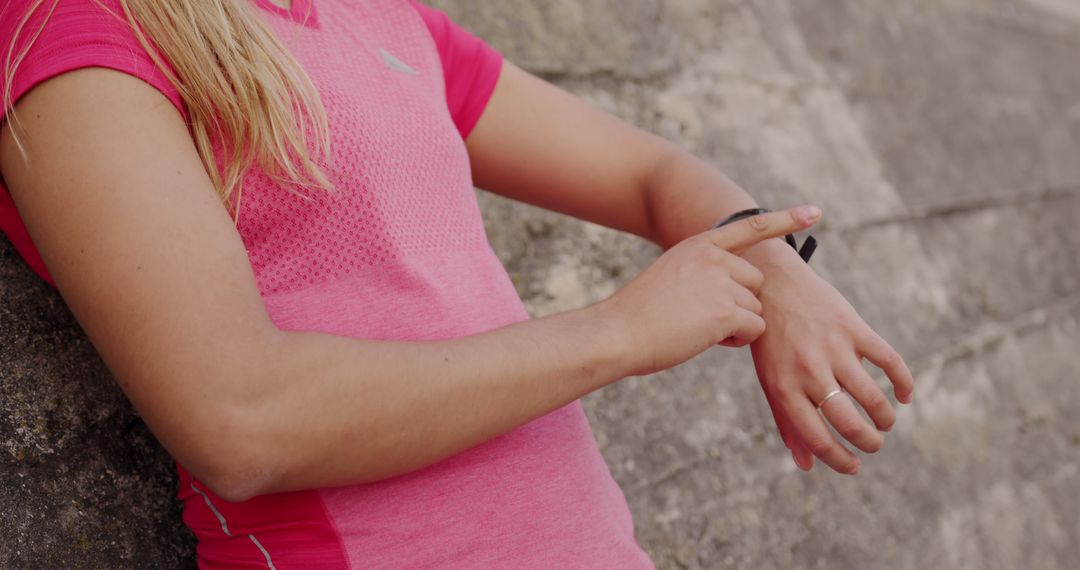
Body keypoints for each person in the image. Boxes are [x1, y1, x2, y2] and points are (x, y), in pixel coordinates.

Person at [0, 0, 915, 567]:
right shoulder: (72, 26)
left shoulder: (382, 17)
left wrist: (777, 269)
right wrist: (616, 335)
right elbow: (240, 417)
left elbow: (649, 175)